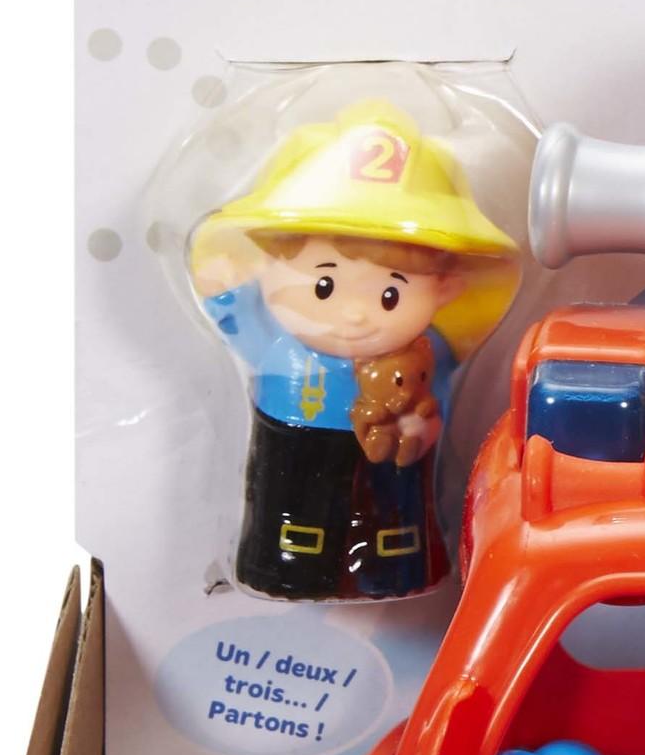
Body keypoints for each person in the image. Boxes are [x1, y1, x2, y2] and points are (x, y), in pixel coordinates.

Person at [189, 102, 517, 600]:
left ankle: (398, 570)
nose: (356, 315)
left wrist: (420, 428)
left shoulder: (427, 352)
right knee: (292, 512)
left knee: (396, 517)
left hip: (392, 449)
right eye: (324, 286)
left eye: (390, 294)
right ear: (267, 267)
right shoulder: (279, 347)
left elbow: (437, 405)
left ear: (445, 288)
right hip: (294, 438)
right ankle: (285, 569)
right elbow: (227, 304)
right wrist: (222, 278)